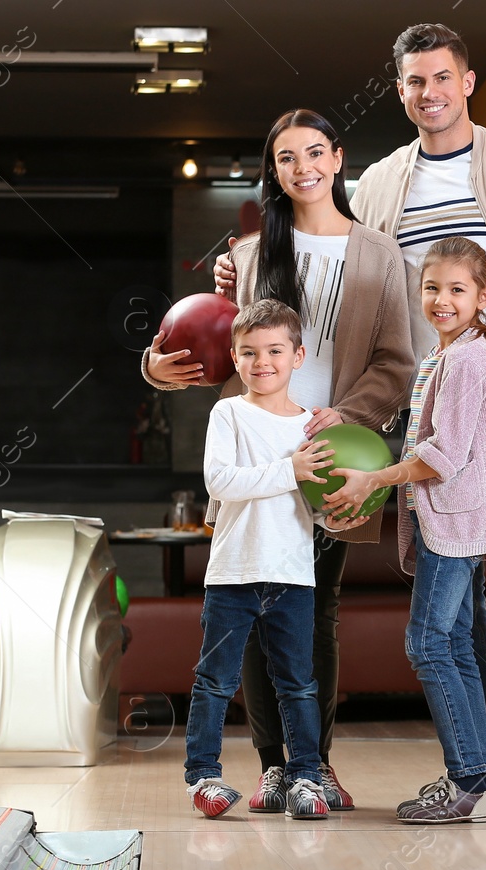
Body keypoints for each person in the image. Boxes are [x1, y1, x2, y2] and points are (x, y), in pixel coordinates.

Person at [215, 23, 486, 811]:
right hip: (429, 400)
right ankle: (484, 760)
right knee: (451, 577)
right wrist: (234, 264)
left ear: (467, 82)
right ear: (401, 90)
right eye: (414, 82)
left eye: (442, 78)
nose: (429, 94)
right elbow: (322, 240)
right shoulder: (380, 182)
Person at [147, 109, 415, 814]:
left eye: (315, 153)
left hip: (337, 454)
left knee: (313, 611)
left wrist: (349, 414)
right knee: (266, 613)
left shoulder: (380, 253)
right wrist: (153, 363)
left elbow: (398, 360)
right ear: (274, 169)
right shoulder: (248, 250)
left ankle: (313, 764)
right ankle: (274, 766)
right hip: (263, 452)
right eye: (286, 157)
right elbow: (207, 334)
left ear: (338, 158)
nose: (303, 168)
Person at [326, 237, 486, 823]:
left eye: (457, 290)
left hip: (455, 522)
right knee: (453, 642)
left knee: (429, 642)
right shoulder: (448, 354)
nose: (442, 299)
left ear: (483, 297)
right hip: (449, 519)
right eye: (432, 288)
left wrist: (372, 480)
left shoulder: (467, 358)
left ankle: (468, 780)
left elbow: (444, 454)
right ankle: (479, 776)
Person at [183, 299, 368, 819]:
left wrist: (335, 518)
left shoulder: (314, 428)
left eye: (274, 350)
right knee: (215, 680)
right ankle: (203, 778)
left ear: (298, 355)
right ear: (235, 358)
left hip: (292, 576)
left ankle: (306, 777)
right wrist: (290, 470)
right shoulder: (229, 413)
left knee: (299, 684)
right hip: (233, 574)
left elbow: (312, 506)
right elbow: (220, 482)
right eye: (249, 352)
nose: (262, 362)